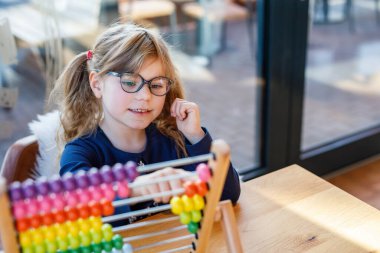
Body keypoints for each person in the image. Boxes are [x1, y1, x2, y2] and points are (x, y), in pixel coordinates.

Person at [50, 23, 240, 215]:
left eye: (156, 85)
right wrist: (134, 189)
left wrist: (196, 137)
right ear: (97, 84)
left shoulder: (174, 139)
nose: (145, 96)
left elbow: (228, 196)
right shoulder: (80, 152)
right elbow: (76, 205)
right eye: (130, 82)